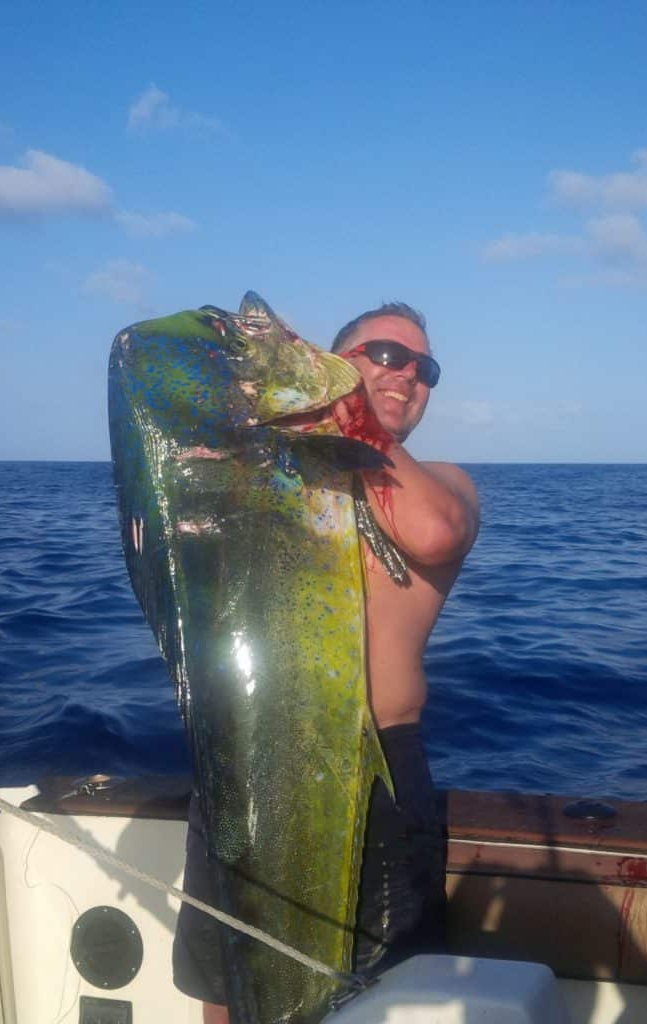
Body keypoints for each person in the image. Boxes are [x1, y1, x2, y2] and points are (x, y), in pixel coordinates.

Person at [174, 302, 480, 1024]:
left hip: (375, 770)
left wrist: (347, 419)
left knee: (382, 997)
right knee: (229, 983)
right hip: (247, 757)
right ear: (334, 365)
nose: (406, 374)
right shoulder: (267, 475)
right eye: (383, 354)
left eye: (423, 367)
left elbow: (435, 533)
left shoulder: (442, 482)